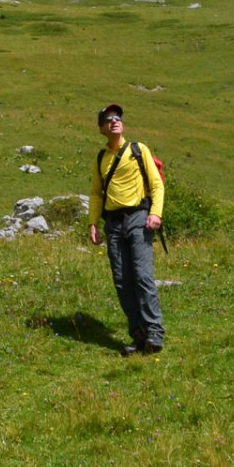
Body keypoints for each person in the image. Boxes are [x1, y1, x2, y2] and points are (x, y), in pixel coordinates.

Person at [88, 102, 165, 356]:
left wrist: (155, 213)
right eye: (108, 119)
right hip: (113, 223)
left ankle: (155, 332)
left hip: (138, 217)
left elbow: (157, 185)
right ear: (102, 128)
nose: (114, 121)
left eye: (118, 117)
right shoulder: (101, 158)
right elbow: (96, 194)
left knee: (142, 276)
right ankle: (139, 336)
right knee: (122, 281)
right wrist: (93, 223)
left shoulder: (138, 149)